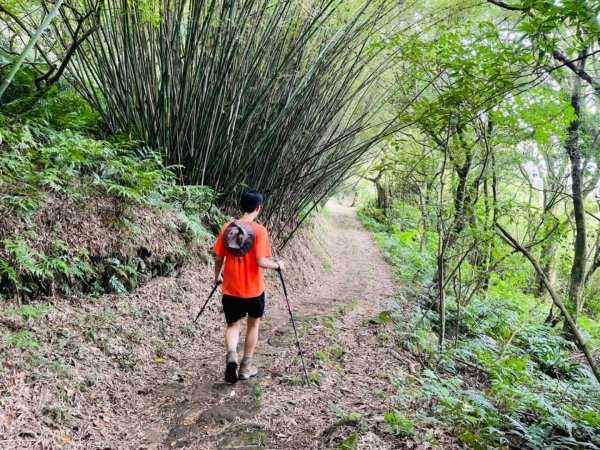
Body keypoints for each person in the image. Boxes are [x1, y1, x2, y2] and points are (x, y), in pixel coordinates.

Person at [213, 190, 285, 383]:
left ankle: (231, 355)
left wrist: (217, 276)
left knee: (233, 325)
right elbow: (261, 261)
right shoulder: (260, 231)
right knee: (253, 325)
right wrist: (278, 265)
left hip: (231, 288)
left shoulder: (227, 227)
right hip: (254, 289)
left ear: (241, 206)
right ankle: (245, 367)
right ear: (258, 208)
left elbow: (219, 257)